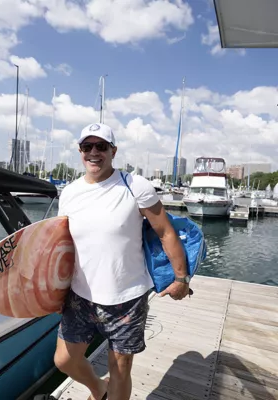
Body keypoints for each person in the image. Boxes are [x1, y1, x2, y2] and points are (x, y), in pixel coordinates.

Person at [54, 123, 190, 400]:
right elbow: (60, 245)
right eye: (87, 147)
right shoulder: (69, 192)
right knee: (64, 361)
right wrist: (53, 291)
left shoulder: (134, 184)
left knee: (120, 369)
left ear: (113, 151)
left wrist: (181, 279)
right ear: (80, 151)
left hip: (127, 296)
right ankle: (97, 388)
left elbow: (165, 231)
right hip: (80, 295)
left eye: (101, 146)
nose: (94, 152)